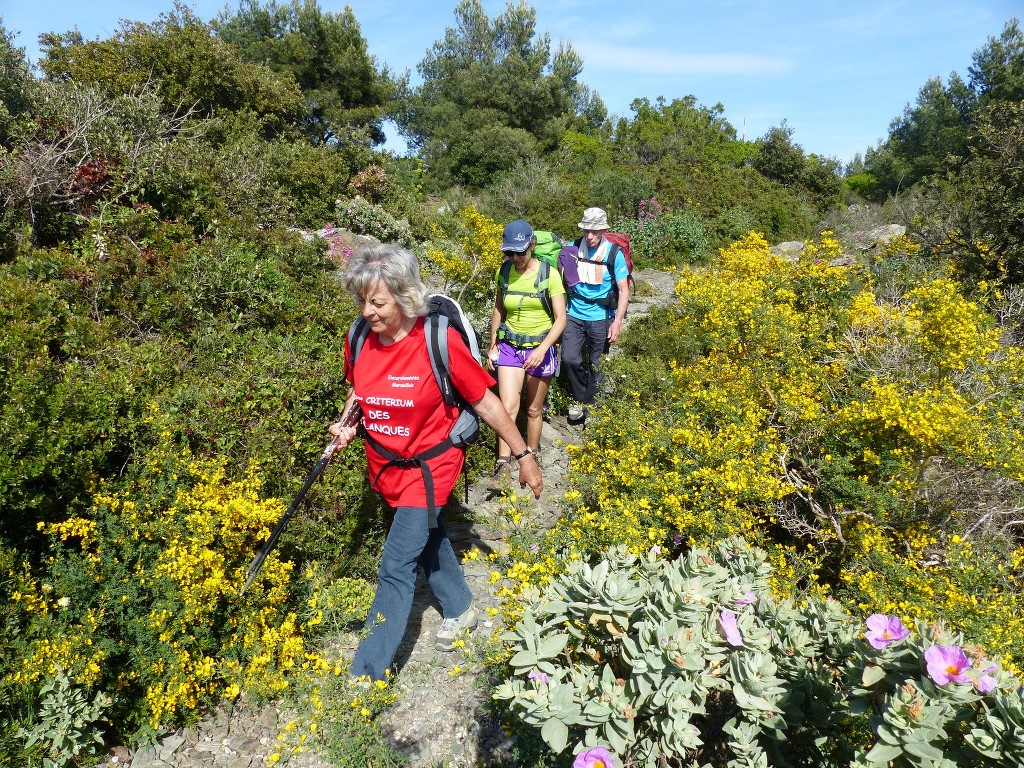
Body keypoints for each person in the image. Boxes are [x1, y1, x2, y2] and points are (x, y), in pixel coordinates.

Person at [328, 243, 543, 683]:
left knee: (395, 566)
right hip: (385, 464)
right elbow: (359, 392)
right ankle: (461, 607)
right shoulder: (359, 336)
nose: (367, 311)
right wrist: (347, 423)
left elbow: (485, 403)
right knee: (426, 536)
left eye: (378, 302)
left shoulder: (437, 339)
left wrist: (524, 455)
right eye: (362, 301)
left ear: (405, 297)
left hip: (432, 465)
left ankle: (367, 675)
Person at [485, 220, 567, 489]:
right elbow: (499, 308)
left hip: (541, 348)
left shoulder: (549, 274)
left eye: (520, 252)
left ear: (532, 245)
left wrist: (543, 349)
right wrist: (493, 344)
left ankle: (531, 456)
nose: (515, 258)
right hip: (510, 346)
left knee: (533, 409)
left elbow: (560, 319)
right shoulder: (504, 271)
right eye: (509, 253)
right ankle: (503, 463)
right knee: (507, 407)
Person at [561, 207, 630, 423]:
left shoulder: (613, 254)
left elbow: (624, 290)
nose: (589, 236)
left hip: (601, 315)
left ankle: (591, 407)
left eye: (594, 232)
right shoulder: (573, 248)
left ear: (602, 230)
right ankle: (582, 397)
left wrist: (617, 322)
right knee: (569, 359)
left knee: (596, 363)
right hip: (574, 313)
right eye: (586, 231)